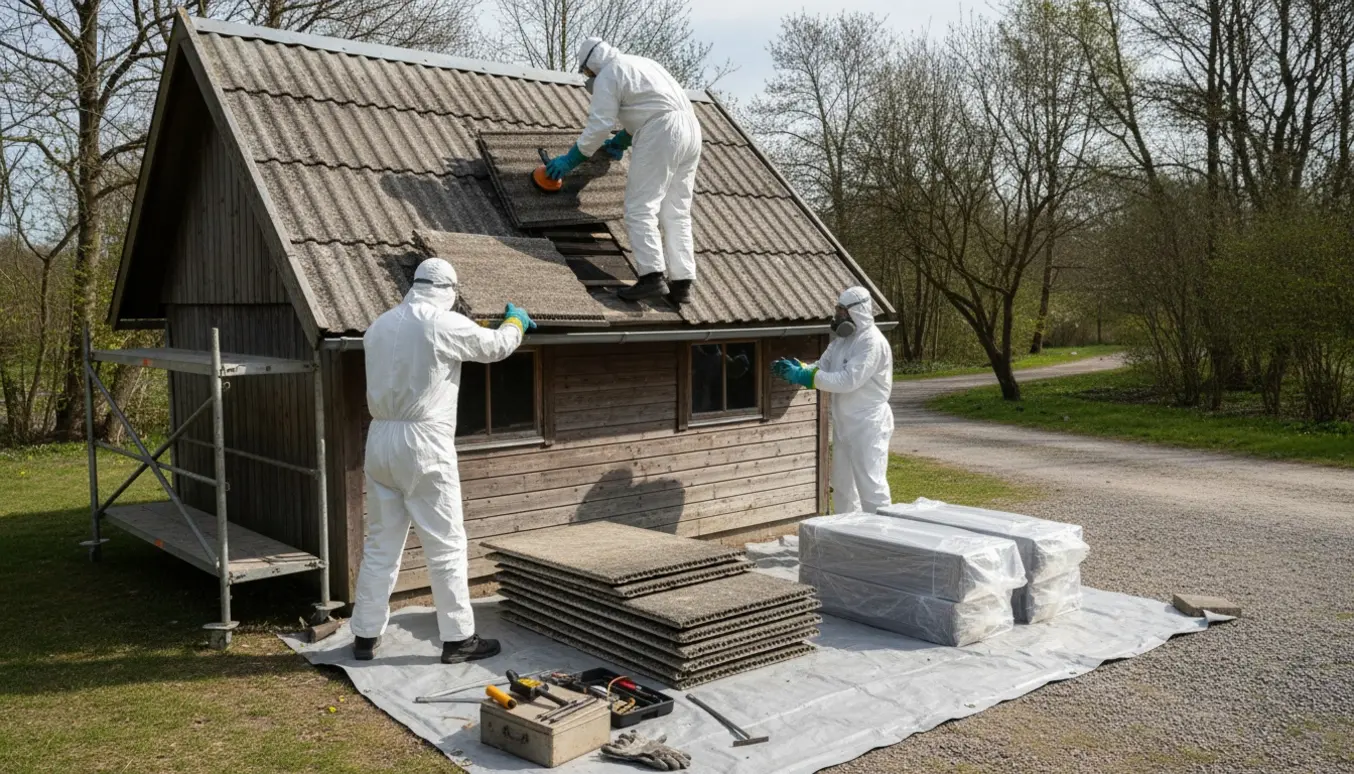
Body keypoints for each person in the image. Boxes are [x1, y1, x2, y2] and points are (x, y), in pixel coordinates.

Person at [350, 258, 535, 663]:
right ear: (448, 290)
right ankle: (458, 640)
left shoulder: (378, 326)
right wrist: (515, 323)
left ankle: (365, 636)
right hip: (423, 441)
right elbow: (494, 347)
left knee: (381, 544)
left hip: (379, 437)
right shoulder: (439, 323)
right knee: (445, 544)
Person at [544, 37, 702, 307]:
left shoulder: (608, 73)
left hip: (661, 131)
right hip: (692, 130)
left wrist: (571, 160)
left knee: (640, 207)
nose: (588, 78)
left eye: (586, 72)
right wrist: (622, 140)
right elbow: (651, 105)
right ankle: (682, 282)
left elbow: (599, 126)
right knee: (676, 210)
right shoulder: (643, 63)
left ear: (591, 65)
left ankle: (651, 276)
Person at [772, 287, 894, 514]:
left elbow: (848, 381)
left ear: (857, 312)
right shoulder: (841, 341)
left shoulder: (871, 342)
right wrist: (798, 369)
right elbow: (821, 367)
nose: (837, 315)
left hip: (868, 424)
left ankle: (883, 542)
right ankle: (848, 542)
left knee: (872, 488)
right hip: (845, 424)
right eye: (837, 309)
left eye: (841, 310)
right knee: (843, 488)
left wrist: (808, 377)